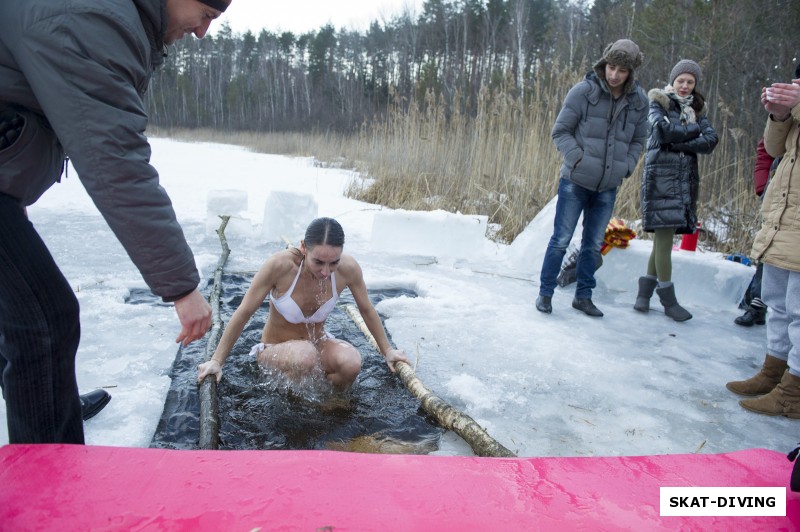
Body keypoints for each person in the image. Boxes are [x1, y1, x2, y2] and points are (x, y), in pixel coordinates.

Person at [0, 0, 231, 444]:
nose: (202, 31)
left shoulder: (110, 14)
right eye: (206, 13)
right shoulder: (92, 21)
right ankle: (48, 480)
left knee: (18, 306)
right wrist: (182, 287)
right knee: (45, 318)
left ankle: (48, 400)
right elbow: (115, 163)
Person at [197, 217, 409, 389]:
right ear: (303, 248)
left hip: (317, 344)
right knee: (304, 356)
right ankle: (298, 403)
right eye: (318, 262)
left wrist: (388, 350)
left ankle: (330, 405)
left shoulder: (348, 269)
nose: (326, 272)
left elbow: (366, 309)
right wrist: (217, 361)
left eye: (333, 262)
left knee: (351, 362)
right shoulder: (280, 266)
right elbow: (243, 312)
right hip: (277, 350)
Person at [536, 39, 648, 317]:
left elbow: (638, 140)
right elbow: (560, 131)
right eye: (611, 67)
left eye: (622, 70)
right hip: (575, 181)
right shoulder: (583, 92)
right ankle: (545, 293)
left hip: (608, 185)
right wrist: (578, 159)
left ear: (631, 72)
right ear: (604, 64)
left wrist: (626, 166)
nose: (614, 75)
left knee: (592, 244)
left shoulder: (639, 101)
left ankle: (583, 297)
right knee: (561, 240)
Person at [725, 66, 800, 418]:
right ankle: (774, 372)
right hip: (783, 221)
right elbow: (773, 148)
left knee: (799, 310)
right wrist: (779, 114)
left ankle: (794, 391)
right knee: (777, 303)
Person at [633, 59, 719, 321]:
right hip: (661, 178)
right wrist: (692, 132)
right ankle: (668, 301)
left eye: (690, 82)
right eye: (681, 80)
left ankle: (643, 296)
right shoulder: (659, 102)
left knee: (663, 237)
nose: (685, 86)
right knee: (665, 238)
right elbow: (662, 132)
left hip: (683, 182)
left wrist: (680, 142)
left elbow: (711, 140)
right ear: (673, 81)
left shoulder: (697, 108)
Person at [734, 138, 780, 327]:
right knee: (769, 244)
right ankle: (757, 304)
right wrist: (762, 187)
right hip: (778, 192)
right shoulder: (787, 113)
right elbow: (765, 149)